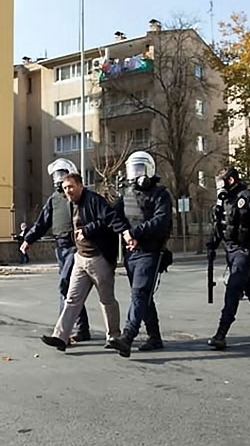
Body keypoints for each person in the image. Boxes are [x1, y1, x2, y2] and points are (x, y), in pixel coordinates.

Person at [40, 173, 130, 352]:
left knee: (106, 300)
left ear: (80, 185)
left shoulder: (94, 200)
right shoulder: (69, 204)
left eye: (71, 187)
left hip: (99, 259)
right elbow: (45, 221)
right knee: (72, 299)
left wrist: (124, 233)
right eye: (65, 188)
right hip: (80, 259)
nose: (68, 191)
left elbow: (109, 219)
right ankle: (61, 337)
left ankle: (113, 336)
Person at [107, 151, 172, 358]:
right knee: (144, 297)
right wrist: (125, 233)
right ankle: (155, 337)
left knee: (139, 294)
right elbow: (112, 216)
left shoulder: (161, 195)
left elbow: (160, 222)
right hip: (131, 253)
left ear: (149, 170)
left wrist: (134, 233)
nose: (135, 175)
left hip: (150, 252)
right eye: (132, 170)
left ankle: (128, 336)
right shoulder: (127, 195)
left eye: (139, 169)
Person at [206, 167, 250, 349]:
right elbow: (219, 226)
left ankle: (221, 334)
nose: (218, 187)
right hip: (231, 251)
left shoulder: (249, 200)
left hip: (245, 252)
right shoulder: (224, 202)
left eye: (220, 182)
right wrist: (212, 246)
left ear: (230, 181)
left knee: (233, 289)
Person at [21, 158, 91, 342]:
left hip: (76, 247)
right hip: (60, 248)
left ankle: (62, 333)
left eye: (62, 174)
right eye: (57, 175)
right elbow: (42, 222)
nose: (59, 179)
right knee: (72, 289)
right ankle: (82, 329)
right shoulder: (54, 200)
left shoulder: (79, 196)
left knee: (65, 285)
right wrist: (28, 239)